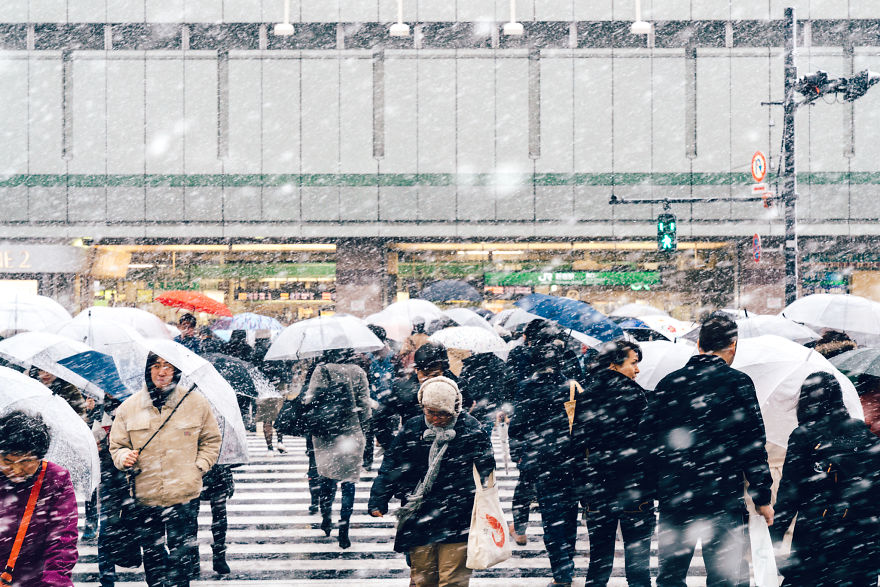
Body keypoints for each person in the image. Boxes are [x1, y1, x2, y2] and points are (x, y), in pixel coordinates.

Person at [640, 312, 774, 587]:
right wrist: (762, 495)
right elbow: (753, 442)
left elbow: (647, 440)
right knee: (725, 574)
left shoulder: (670, 383)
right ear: (733, 345)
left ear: (698, 344)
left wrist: (654, 486)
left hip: (676, 493)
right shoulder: (738, 383)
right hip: (722, 493)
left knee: (671, 575)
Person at [368, 376, 496, 587]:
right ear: (422, 406)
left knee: (453, 578)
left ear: (455, 408)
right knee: (423, 577)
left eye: (443, 414)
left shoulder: (471, 429)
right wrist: (379, 499)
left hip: (458, 514)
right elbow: (392, 465)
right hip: (420, 513)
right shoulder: (414, 428)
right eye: (430, 412)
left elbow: (486, 469)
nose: (436, 419)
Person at [109, 352, 222, 587]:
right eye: (157, 366)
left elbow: (211, 440)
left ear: (177, 372)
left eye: (169, 367)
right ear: (148, 371)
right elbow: (117, 445)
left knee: (183, 556)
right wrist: (123, 457)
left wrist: (199, 467)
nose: (162, 372)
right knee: (153, 555)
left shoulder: (196, 403)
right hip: (145, 496)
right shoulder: (129, 407)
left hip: (184, 493)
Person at [772, 371, 880, 586]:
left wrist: (774, 532)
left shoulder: (804, 435)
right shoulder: (863, 432)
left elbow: (790, 491)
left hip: (818, 530)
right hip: (861, 533)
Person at [573, 340, 653, 587]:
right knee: (638, 564)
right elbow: (649, 446)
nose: (637, 370)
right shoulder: (638, 397)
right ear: (614, 364)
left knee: (599, 560)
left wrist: (583, 489)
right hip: (634, 489)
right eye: (633, 363)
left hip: (597, 488)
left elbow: (577, 445)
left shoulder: (587, 396)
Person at [509, 329, 581, 587]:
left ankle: (562, 574)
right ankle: (567, 563)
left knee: (552, 519)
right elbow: (582, 423)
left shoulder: (527, 387)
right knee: (569, 515)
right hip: (570, 459)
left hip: (541, 461)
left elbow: (517, 427)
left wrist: (521, 453)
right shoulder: (572, 386)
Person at [301, 347, 371, 549]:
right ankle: (344, 528)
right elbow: (364, 405)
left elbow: (309, 400)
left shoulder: (321, 370)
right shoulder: (358, 371)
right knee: (349, 482)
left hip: (325, 433)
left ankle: (326, 516)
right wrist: (364, 429)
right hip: (351, 433)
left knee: (327, 477)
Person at [0, 411, 78, 587]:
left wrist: (55, 582)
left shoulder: (55, 479)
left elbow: (62, 539)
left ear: (40, 456)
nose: (16, 469)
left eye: (26, 461)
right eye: (8, 460)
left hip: (36, 578)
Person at [375, 342, 458, 449]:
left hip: (450, 451)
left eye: (436, 375)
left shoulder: (456, 387)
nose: (430, 380)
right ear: (417, 370)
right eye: (425, 374)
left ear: (444, 371)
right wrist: (394, 447)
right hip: (414, 453)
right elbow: (380, 418)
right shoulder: (404, 389)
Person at [197, 464, 236, 575]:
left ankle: (193, 558)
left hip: (196, 468)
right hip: (216, 469)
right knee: (219, 514)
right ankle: (219, 557)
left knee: (191, 514)